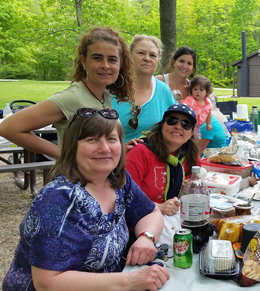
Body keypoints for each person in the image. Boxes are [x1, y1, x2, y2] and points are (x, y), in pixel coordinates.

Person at [2, 108, 169, 291]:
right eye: (92, 139)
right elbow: (47, 282)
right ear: (73, 146)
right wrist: (128, 281)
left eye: (111, 139)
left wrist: (146, 237)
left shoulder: (116, 180)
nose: (104, 148)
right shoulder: (58, 199)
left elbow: (150, 212)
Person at [0, 26, 134, 159]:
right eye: (97, 58)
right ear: (84, 62)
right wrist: (65, 156)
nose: (105, 65)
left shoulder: (105, 95)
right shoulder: (72, 97)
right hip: (75, 179)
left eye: (112, 59)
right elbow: (8, 128)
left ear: (120, 64)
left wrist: (118, 149)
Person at [126, 103, 199, 249]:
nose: (178, 126)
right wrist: (158, 207)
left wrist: (190, 190)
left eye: (185, 124)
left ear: (191, 133)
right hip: (140, 230)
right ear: (162, 125)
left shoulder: (190, 156)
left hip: (175, 225)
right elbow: (125, 201)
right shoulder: (140, 152)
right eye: (172, 121)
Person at [112, 34, 176, 147]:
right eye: (141, 53)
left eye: (152, 55)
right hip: (112, 158)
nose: (147, 58)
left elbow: (175, 127)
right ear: (129, 56)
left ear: (158, 60)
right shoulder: (112, 88)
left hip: (152, 159)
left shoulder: (164, 91)